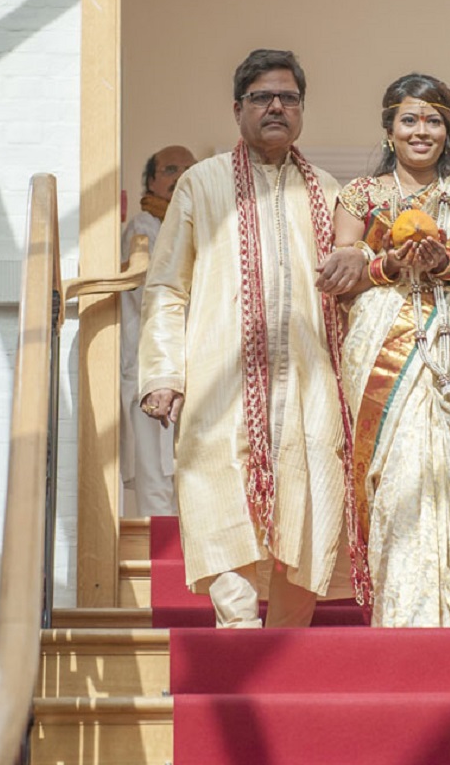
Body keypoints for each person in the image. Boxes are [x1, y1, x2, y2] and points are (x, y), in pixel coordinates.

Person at [138, 49, 355, 628]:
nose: (276, 107)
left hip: (310, 382)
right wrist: (163, 372)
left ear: (302, 110)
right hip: (218, 376)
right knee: (216, 494)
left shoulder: (329, 191)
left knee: (307, 509)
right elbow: (167, 286)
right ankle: (237, 632)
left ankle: (284, 645)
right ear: (238, 110)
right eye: (262, 97)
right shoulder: (200, 185)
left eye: (288, 98)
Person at [323, 73, 450, 627]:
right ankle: (402, 617)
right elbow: (346, 273)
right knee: (397, 477)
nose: (421, 131)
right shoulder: (359, 196)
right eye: (409, 119)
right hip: (382, 343)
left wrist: (446, 265)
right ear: (389, 129)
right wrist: (388, 262)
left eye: (433, 121)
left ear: (448, 131)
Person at [120, 144, 196, 517]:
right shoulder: (143, 227)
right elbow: (151, 291)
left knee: (190, 475)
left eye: (188, 169)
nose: (179, 177)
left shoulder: (201, 226)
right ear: (151, 180)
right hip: (150, 366)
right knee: (155, 476)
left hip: (195, 366)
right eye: (170, 169)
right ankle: (161, 569)